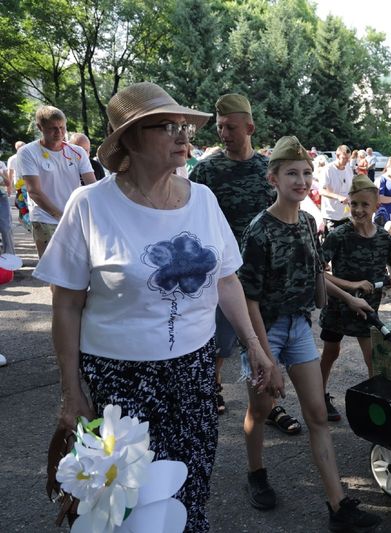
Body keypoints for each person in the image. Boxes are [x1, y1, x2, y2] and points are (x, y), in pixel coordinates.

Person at [34, 82, 281, 532]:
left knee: (189, 489)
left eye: (184, 126)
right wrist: (71, 393)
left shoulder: (202, 199)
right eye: (167, 126)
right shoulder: (90, 205)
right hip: (119, 381)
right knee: (128, 506)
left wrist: (254, 346)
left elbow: (227, 280)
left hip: (193, 374)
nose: (183, 135)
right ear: (129, 139)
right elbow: (65, 305)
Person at [238, 135, 382, 531]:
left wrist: (349, 298)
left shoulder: (306, 221)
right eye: (291, 174)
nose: (301, 181)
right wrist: (265, 357)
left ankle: (338, 506)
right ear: (273, 179)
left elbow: (317, 272)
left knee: (317, 414)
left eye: (305, 173)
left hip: (299, 326)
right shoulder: (259, 230)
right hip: (266, 330)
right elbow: (248, 299)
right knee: (261, 409)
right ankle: (256, 473)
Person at [188, 93, 300, 435]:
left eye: (231, 127)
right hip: (223, 275)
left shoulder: (266, 171)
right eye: (220, 127)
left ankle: (269, 403)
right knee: (221, 342)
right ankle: (213, 386)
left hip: (262, 275)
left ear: (249, 128)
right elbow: (192, 219)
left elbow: (282, 218)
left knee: (266, 339)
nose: (224, 134)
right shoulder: (206, 170)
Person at [319, 175, 391, 421]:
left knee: (372, 357)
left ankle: (375, 403)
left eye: (365, 204)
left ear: (376, 206)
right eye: (354, 204)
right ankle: (319, 396)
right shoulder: (339, 235)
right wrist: (351, 285)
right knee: (330, 352)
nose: (358, 210)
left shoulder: (383, 238)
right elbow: (318, 273)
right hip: (338, 306)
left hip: (367, 309)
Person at [18, 106, 96, 257]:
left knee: (78, 264)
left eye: (62, 127)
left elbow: (92, 185)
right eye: (53, 128)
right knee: (51, 266)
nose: (59, 133)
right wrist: (60, 216)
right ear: (40, 127)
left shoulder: (77, 151)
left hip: (74, 217)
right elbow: (34, 191)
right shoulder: (28, 152)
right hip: (44, 218)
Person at [319, 144, 353, 234]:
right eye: (344, 158)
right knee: (334, 241)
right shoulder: (327, 170)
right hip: (331, 215)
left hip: (346, 215)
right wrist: (338, 197)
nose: (347, 161)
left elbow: (351, 188)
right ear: (337, 156)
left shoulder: (349, 169)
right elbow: (321, 190)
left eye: (348, 158)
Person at [0, 160, 13, 254]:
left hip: (1, 197)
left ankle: (9, 255)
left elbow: (8, 183)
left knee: (5, 227)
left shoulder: (1, 164)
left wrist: (1, 174)